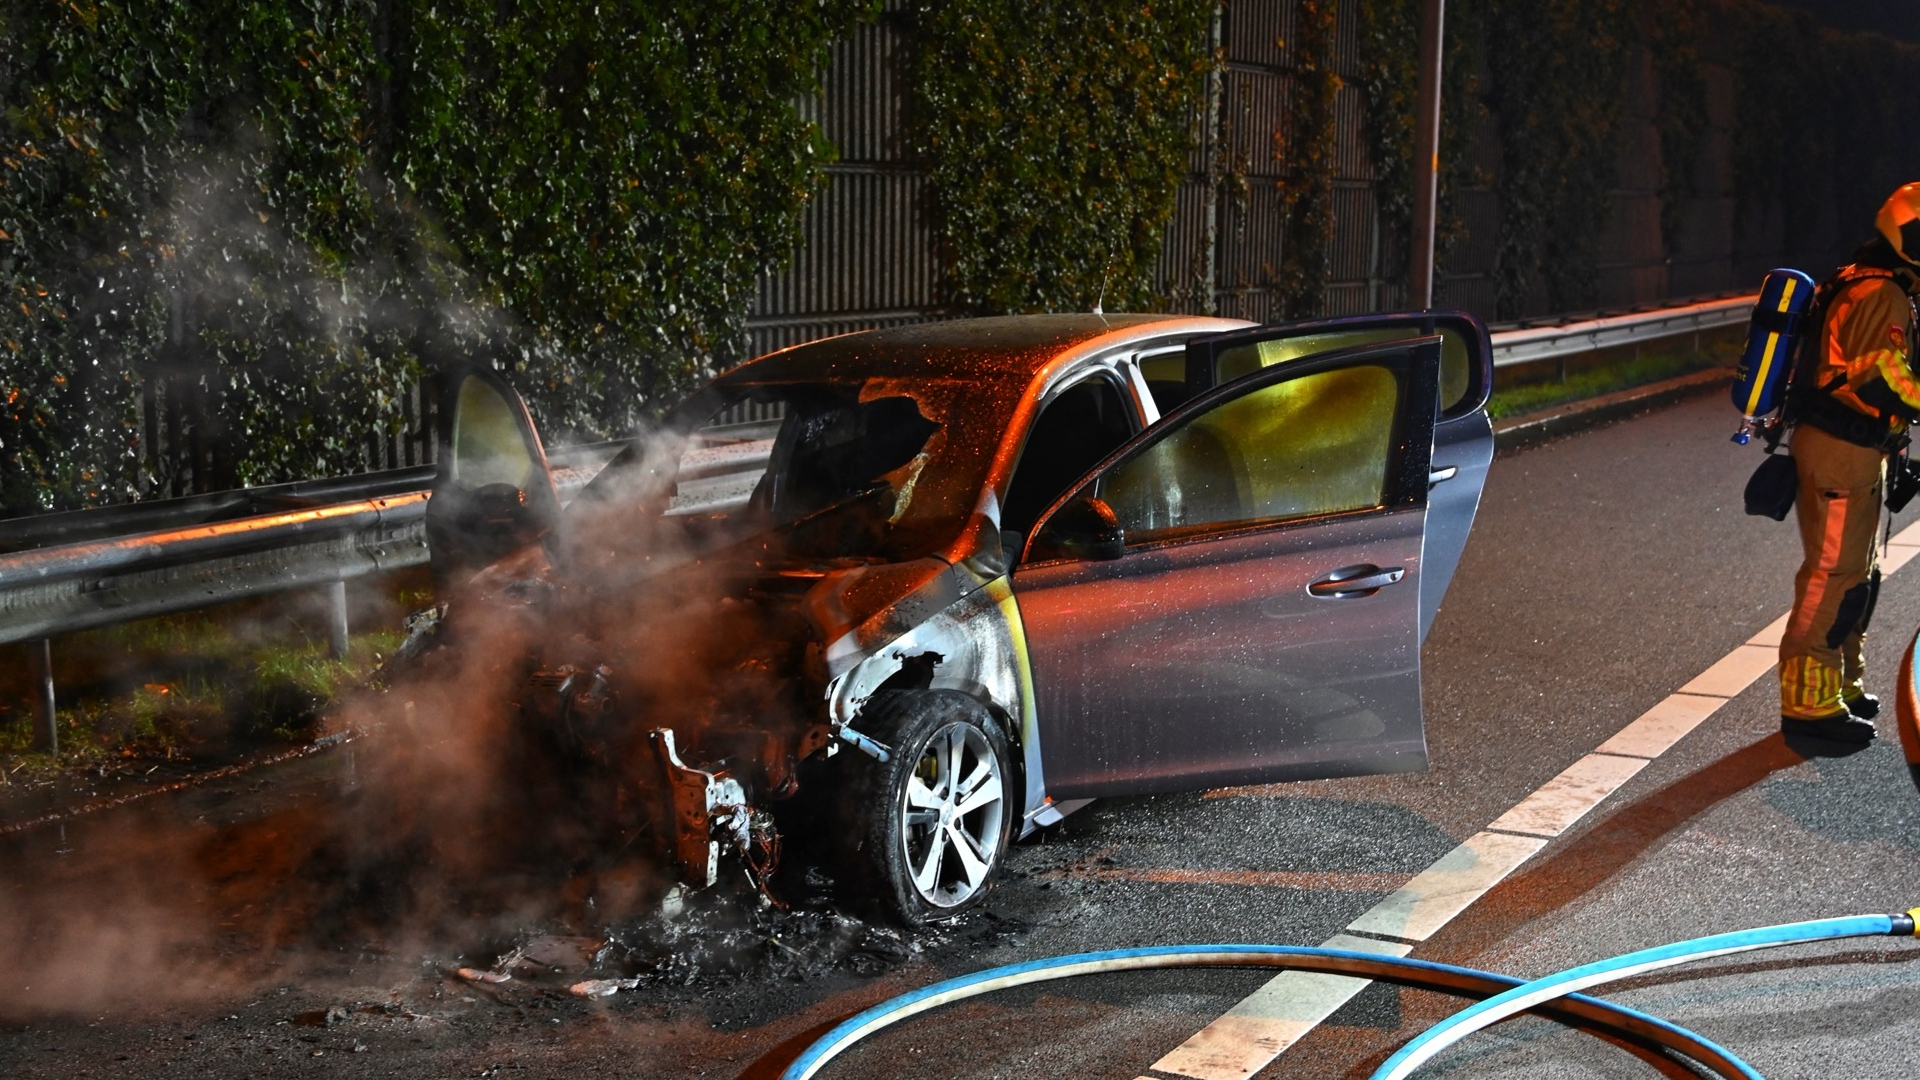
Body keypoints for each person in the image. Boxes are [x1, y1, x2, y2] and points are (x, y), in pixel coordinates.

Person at [1778, 182, 1920, 746]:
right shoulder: (1881, 292)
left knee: (1857, 573)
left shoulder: (1868, 281)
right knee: (1835, 576)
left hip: (1852, 444)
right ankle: (1809, 710)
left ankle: (1841, 686)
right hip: (1844, 448)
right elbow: (1879, 377)